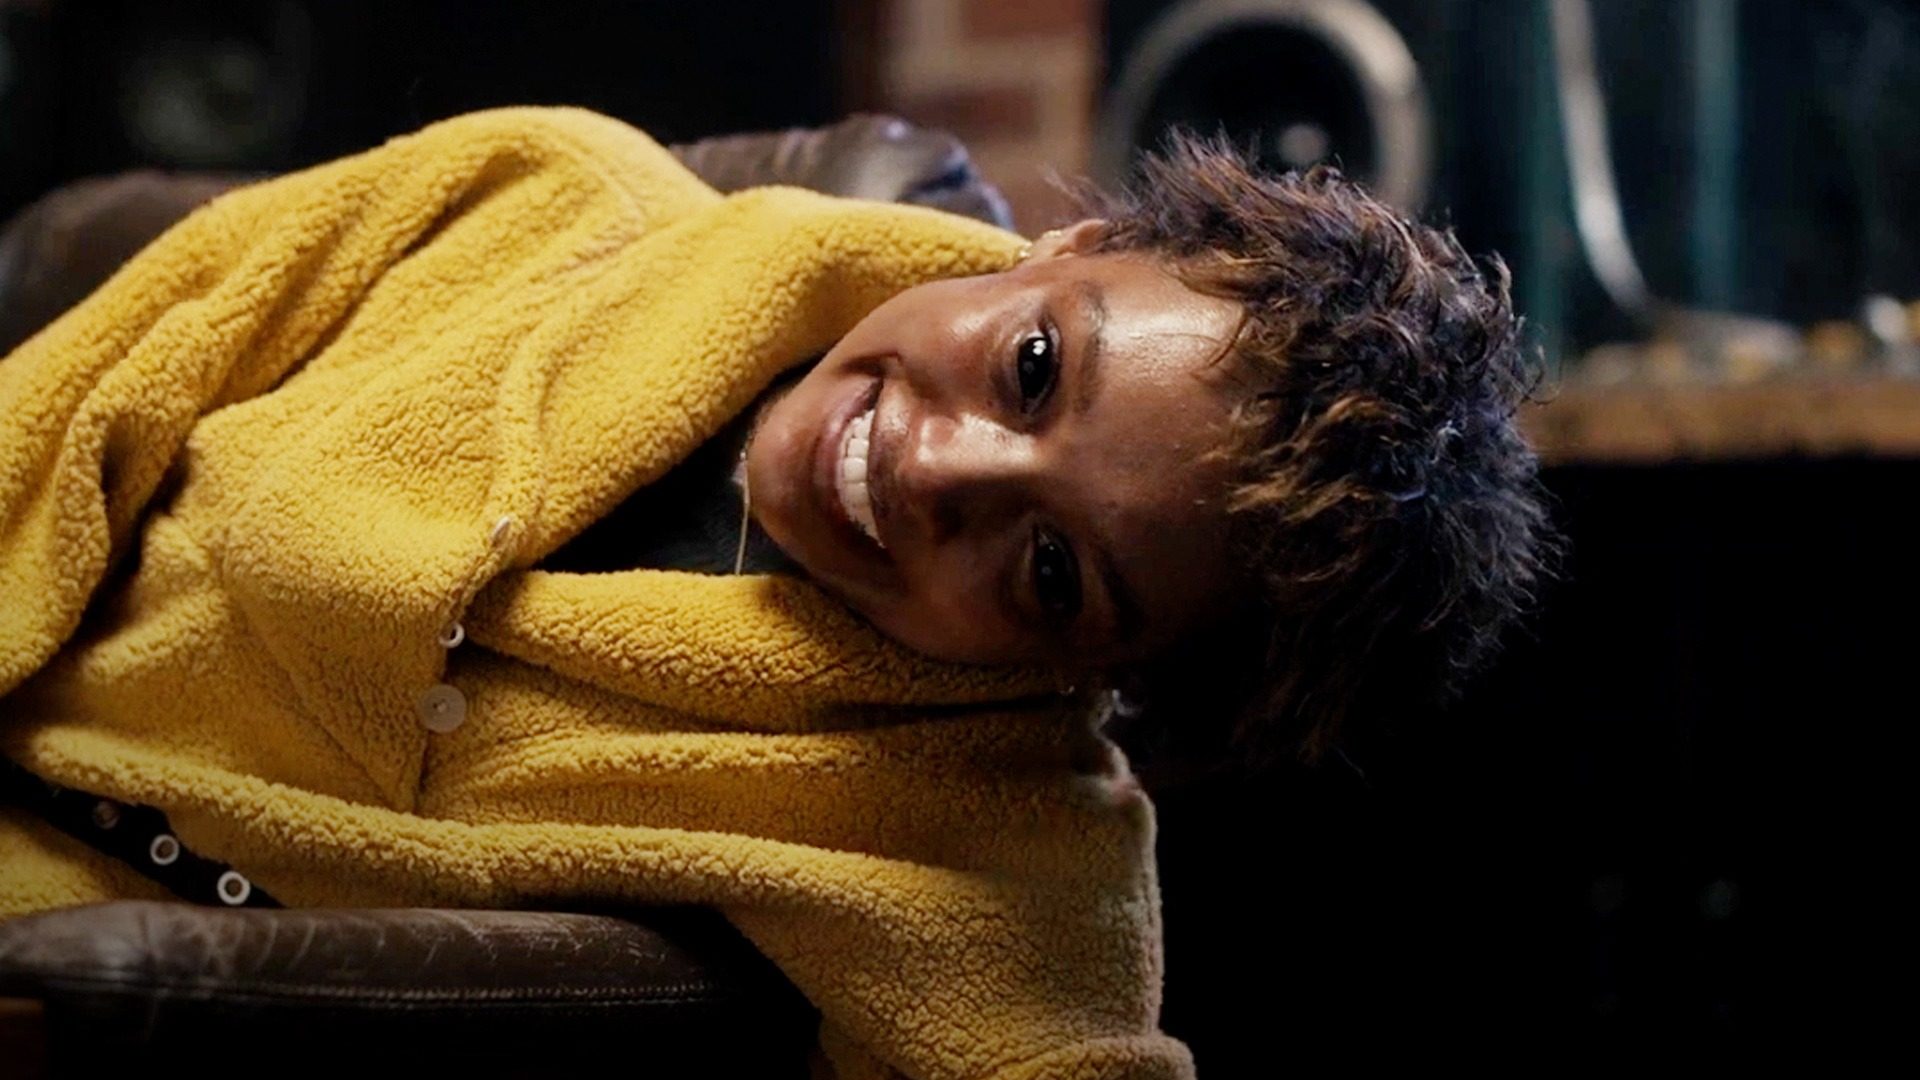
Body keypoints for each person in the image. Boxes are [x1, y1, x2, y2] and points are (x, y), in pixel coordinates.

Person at [0, 107, 1551, 1078]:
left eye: (1051, 570)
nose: (934, 465)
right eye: (1032, 368)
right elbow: (70, 407)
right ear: (1064, 247)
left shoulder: (980, 845)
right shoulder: (543, 196)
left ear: (1093, 677)